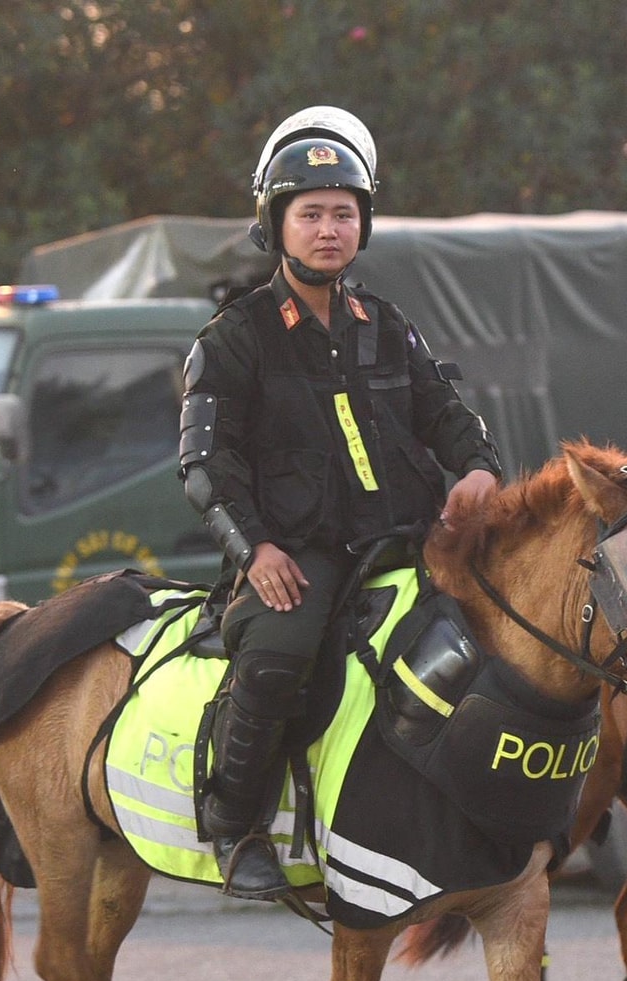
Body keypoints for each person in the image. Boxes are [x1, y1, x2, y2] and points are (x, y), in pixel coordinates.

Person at [177, 108, 503, 899]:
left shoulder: (388, 325)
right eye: (311, 213)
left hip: (410, 541)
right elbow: (202, 462)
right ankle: (236, 825)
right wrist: (255, 549)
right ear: (275, 224)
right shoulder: (234, 336)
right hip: (300, 555)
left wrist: (481, 466)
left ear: (364, 224)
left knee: (514, 631)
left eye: (344, 213)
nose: (329, 229)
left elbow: (448, 419)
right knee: (281, 654)